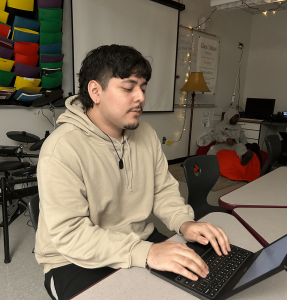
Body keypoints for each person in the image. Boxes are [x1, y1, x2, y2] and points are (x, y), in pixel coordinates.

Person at [35, 45, 231, 300]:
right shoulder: (61, 148)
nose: (140, 97)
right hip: (72, 259)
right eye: (128, 88)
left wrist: (184, 222)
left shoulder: (146, 134)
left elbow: (162, 189)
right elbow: (71, 235)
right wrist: (148, 254)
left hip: (139, 239)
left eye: (143, 88)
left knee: (205, 278)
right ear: (95, 91)